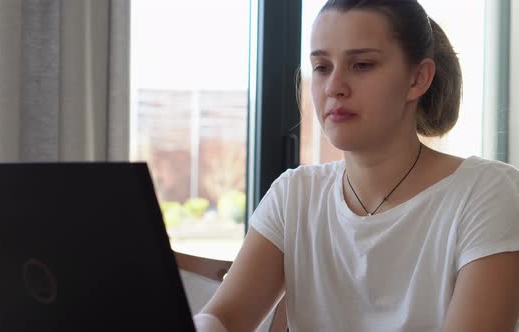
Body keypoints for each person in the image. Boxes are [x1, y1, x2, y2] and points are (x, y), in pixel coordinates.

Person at [193, 0, 519, 331]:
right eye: (321, 67)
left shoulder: (488, 193)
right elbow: (224, 317)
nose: (334, 87)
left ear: (418, 79)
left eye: (361, 65)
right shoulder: (295, 195)